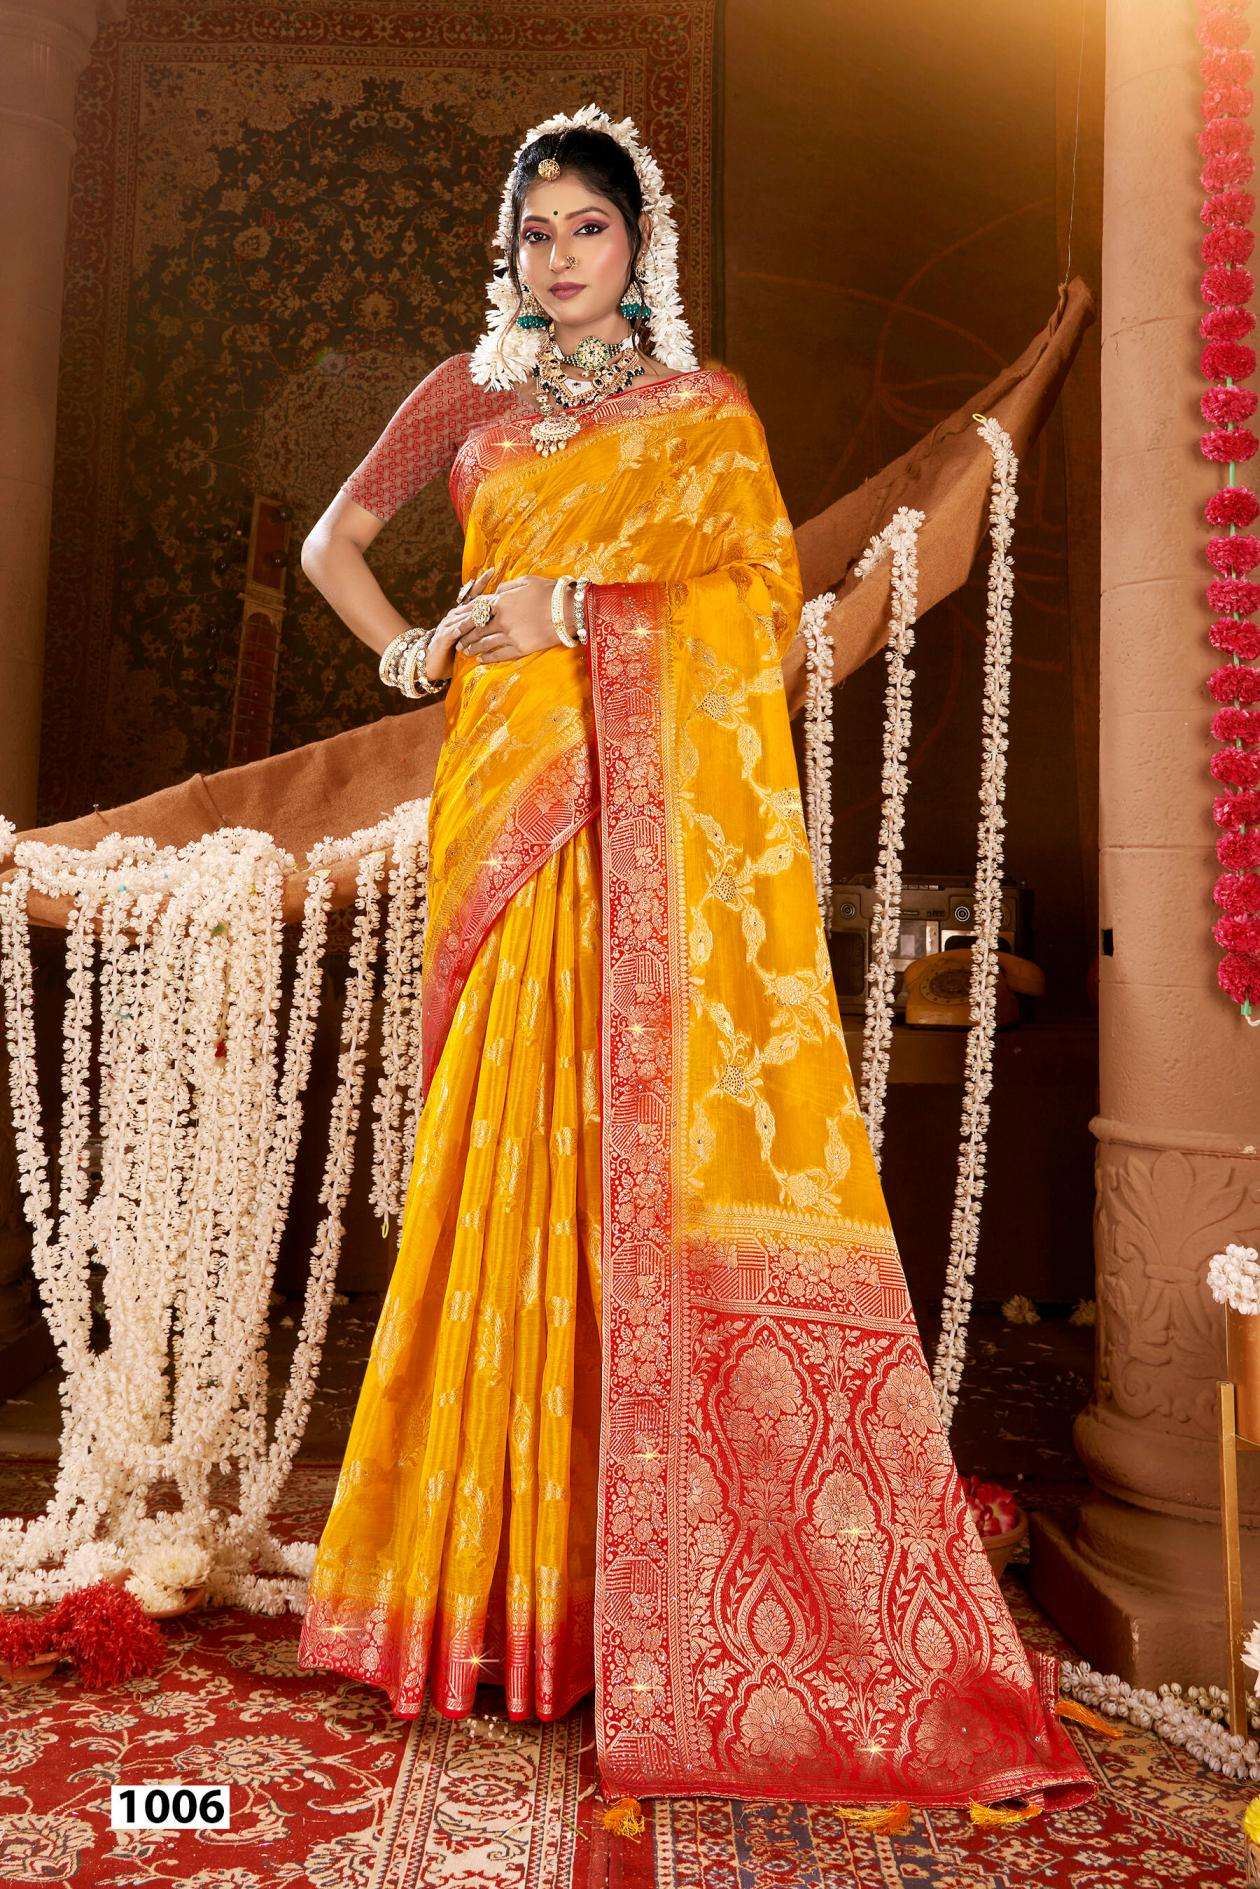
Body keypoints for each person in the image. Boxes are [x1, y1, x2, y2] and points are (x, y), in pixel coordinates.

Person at [295, 102, 1096, 1822]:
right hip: (510, 796)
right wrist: (419, 647)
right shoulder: (466, 396)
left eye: (587, 227)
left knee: (629, 1159)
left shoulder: (707, 413)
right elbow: (331, 545)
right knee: (509, 1160)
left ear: (638, 242)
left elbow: (751, 615)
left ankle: (637, 1594)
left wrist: (580, 611)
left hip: (643, 815)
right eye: (536, 232)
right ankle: (497, 1592)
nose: (559, 257)